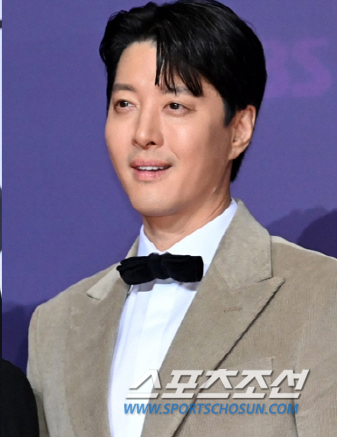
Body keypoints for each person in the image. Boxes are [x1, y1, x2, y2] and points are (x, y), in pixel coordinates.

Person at [27, 1, 337, 436]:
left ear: (239, 129)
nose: (143, 133)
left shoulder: (321, 297)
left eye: (175, 105)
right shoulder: (55, 326)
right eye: (124, 104)